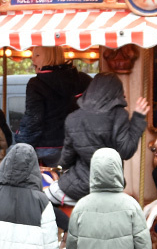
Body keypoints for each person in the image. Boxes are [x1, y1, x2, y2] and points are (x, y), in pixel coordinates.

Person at [45, 72, 149, 205]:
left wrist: (59, 169)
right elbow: (126, 151)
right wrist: (138, 118)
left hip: (78, 186)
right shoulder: (119, 115)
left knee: (44, 198)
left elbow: (67, 158)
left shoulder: (73, 118)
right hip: (110, 184)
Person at [16, 46, 92, 166]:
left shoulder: (36, 84)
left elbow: (34, 119)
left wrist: (21, 143)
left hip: (47, 146)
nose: (32, 59)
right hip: (76, 144)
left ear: (49, 57)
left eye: (37, 55)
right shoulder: (82, 79)